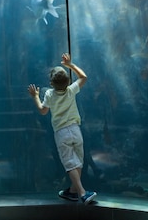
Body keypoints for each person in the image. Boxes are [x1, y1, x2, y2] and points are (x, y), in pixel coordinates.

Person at [28, 53, 97, 204]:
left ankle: (82, 193)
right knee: (78, 161)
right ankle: (72, 191)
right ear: (68, 81)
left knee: (70, 163)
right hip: (76, 129)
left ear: (51, 84)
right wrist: (70, 64)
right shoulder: (71, 90)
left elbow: (43, 111)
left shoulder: (49, 94)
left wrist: (35, 96)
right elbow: (84, 77)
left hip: (62, 132)